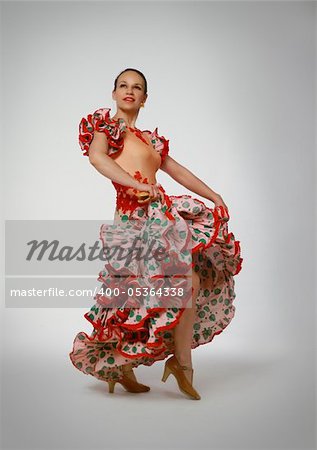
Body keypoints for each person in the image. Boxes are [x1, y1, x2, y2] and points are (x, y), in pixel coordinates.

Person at [69, 67, 243, 400]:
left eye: (137, 88)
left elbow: (176, 170)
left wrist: (214, 195)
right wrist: (135, 183)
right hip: (132, 219)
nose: (129, 91)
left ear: (145, 99)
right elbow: (97, 158)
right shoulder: (104, 127)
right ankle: (121, 366)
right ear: (114, 93)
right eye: (123, 85)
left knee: (185, 283)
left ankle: (180, 364)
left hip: (160, 216)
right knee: (134, 295)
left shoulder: (150, 139)